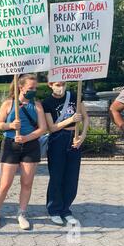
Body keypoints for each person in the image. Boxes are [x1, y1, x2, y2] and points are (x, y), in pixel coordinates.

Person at [0, 74, 47, 230]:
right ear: (21, 87)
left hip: (31, 145)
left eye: (35, 88)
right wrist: (11, 126)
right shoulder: (8, 104)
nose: (34, 91)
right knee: (5, 183)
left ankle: (21, 213)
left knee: (27, 183)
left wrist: (27, 138)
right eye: (31, 88)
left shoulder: (37, 105)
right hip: (10, 145)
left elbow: (43, 128)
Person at [42, 81, 89, 226]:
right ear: (50, 84)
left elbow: (86, 118)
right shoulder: (47, 102)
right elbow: (52, 127)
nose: (60, 87)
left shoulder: (75, 96)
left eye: (63, 84)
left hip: (74, 138)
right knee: (56, 176)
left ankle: (65, 209)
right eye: (57, 84)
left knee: (71, 176)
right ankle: (54, 209)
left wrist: (82, 136)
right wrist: (70, 119)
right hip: (58, 139)